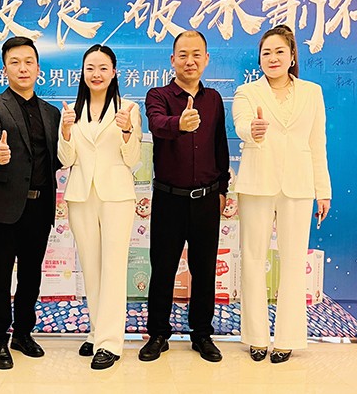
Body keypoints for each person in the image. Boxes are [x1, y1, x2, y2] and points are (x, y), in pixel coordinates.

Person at [232, 24, 331, 363]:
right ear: (259, 59)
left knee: (293, 261)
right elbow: (242, 124)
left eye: (279, 52)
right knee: (252, 258)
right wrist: (253, 130)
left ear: (291, 57)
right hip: (257, 183)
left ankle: (288, 338)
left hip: (298, 185)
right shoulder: (247, 92)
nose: (272, 58)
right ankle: (256, 337)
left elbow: (317, 143)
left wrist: (323, 190)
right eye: (266, 53)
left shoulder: (312, 92)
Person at [140, 30, 230, 363]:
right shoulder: (158, 95)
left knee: (204, 270)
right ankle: (157, 334)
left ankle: (202, 334)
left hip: (207, 199)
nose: (189, 61)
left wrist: (223, 189)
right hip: (169, 199)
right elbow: (157, 124)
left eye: (196, 55)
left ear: (206, 59)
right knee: (162, 269)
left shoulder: (214, 99)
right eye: (183, 55)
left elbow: (220, 146)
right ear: (172, 59)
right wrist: (181, 122)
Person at [0, 36, 61, 370]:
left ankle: (23, 333)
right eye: (15, 62)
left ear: (38, 68)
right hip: (4, 206)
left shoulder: (52, 113)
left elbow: (58, 157)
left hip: (40, 207)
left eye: (28, 62)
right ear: (5, 69)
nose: (22, 68)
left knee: (30, 276)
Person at [58, 45, 142, 370]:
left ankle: (110, 343)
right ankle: (97, 332)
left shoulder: (129, 108)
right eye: (90, 68)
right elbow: (65, 159)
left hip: (116, 196)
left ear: (114, 72)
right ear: (82, 73)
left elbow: (132, 159)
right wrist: (66, 132)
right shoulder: (71, 111)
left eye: (103, 68)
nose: (96, 74)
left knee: (113, 267)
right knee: (91, 267)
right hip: (81, 196)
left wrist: (126, 131)